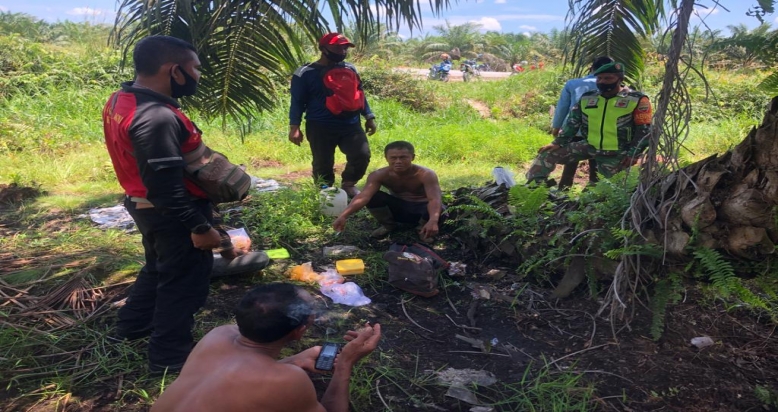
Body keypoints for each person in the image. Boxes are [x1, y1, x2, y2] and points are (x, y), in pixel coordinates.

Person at [102, 35, 225, 373]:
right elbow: (166, 187)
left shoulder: (121, 99)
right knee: (183, 282)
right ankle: (170, 358)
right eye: (195, 69)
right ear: (175, 70)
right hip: (170, 212)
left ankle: (132, 326)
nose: (198, 76)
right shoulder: (155, 117)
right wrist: (200, 227)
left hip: (143, 205)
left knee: (159, 268)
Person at [151, 283, 382, 412]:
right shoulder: (287, 381)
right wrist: (346, 363)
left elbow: (232, 377)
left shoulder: (218, 335)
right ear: (299, 331)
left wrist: (292, 360)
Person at [526, 62, 652, 185]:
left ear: (620, 79)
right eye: (599, 78)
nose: (602, 82)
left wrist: (634, 154)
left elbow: (644, 130)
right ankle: (535, 188)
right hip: (589, 146)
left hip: (617, 151)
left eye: (608, 78)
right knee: (547, 153)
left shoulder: (637, 99)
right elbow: (573, 122)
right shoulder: (588, 98)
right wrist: (558, 142)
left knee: (604, 190)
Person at [289, 32, 377, 198]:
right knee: (323, 162)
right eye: (337, 47)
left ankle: (349, 184)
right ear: (322, 48)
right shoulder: (304, 72)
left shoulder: (350, 68)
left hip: (351, 124)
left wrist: (369, 116)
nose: (342, 51)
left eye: (345, 47)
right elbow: (297, 101)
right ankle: (325, 191)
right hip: (320, 125)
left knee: (361, 154)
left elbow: (359, 94)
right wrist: (295, 127)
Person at [332, 141, 443, 243]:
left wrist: (433, 220)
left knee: (439, 208)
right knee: (374, 196)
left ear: (412, 157)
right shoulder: (379, 175)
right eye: (393, 158)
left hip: (422, 210)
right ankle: (389, 225)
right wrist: (343, 215)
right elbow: (364, 196)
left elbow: (434, 199)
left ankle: (423, 229)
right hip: (399, 208)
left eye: (403, 157)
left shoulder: (425, 174)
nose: (398, 161)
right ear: (386, 158)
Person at [550, 56, 614, 189]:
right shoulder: (614, 85)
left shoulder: (573, 84)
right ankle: (594, 190)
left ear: (592, 68)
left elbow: (562, 107)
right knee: (596, 162)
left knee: (570, 163)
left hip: (575, 129)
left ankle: (564, 189)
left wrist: (556, 127)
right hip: (601, 132)